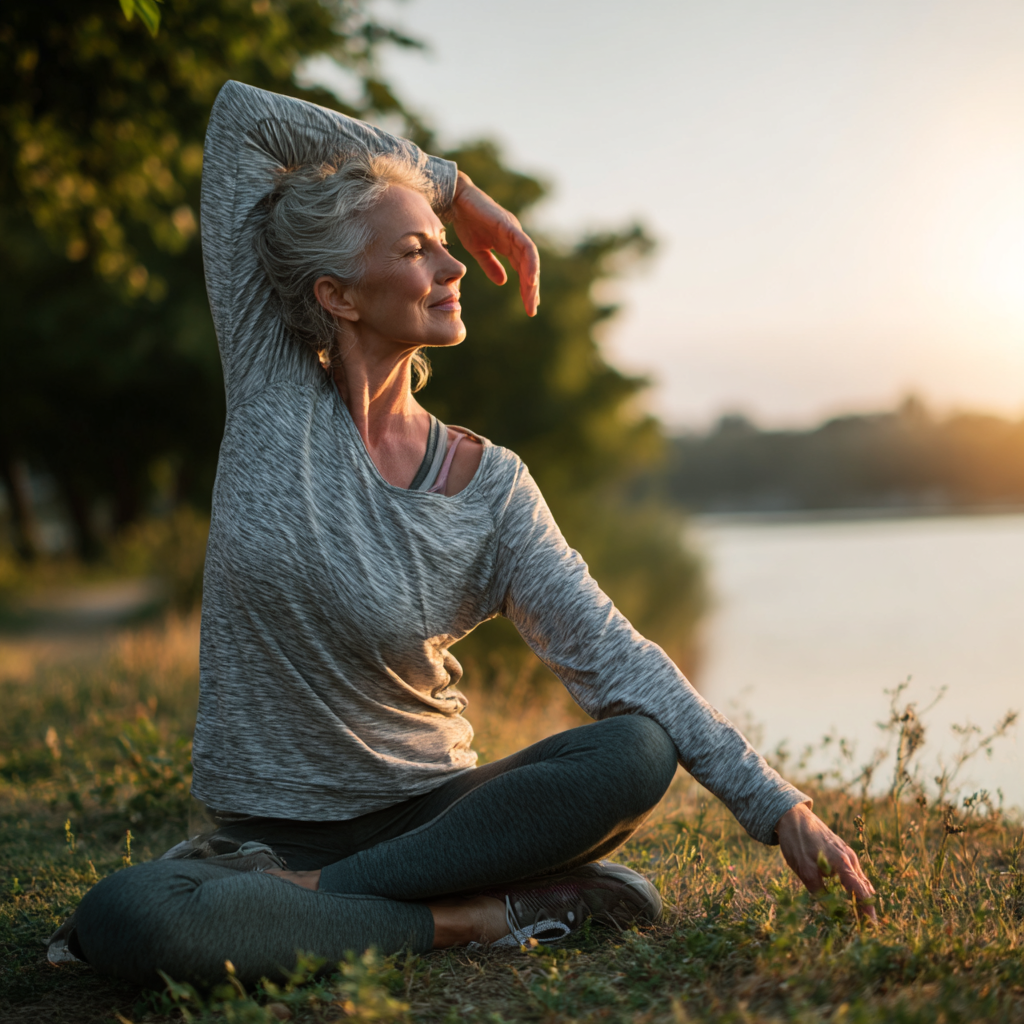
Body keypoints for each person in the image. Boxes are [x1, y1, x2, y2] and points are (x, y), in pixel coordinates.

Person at [55, 80, 875, 988]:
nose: (452, 269)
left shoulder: (492, 488)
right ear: (338, 294)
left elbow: (613, 655)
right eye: (417, 250)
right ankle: (479, 916)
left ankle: (311, 899)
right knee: (123, 917)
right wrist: (455, 188)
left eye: (446, 249)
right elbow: (242, 118)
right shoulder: (271, 386)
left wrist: (777, 804)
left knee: (634, 750)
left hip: (439, 816)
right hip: (261, 830)